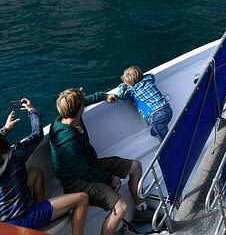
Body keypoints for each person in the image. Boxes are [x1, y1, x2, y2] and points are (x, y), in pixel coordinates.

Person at [0, 98, 89, 235]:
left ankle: (42, 212)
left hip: (0, 224)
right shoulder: (13, 155)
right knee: (82, 198)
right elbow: (37, 134)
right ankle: (41, 217)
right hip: (23, 220)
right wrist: (32, 110)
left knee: (35, 173)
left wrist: (5, 129)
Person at [49, 88, 154, 235]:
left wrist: (104, 96)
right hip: (77, 181)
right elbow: (82, 171)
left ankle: (140, 209)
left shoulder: (68, 116)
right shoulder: (67, 141)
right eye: (82, 104)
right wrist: (110, 178)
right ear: (80, 109)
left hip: (90, 165)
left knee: (135, 167)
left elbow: (84, 100)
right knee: (121, 207)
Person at [115, 66, 172, 143]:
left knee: (165, 139)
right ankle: (154, 132)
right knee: (159, 127)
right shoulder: (149, 79)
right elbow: (151, 75)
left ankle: (167, 150)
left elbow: (121, 96)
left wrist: (123, 85)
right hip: (168, 109)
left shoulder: (132, 90)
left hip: (156, 115)